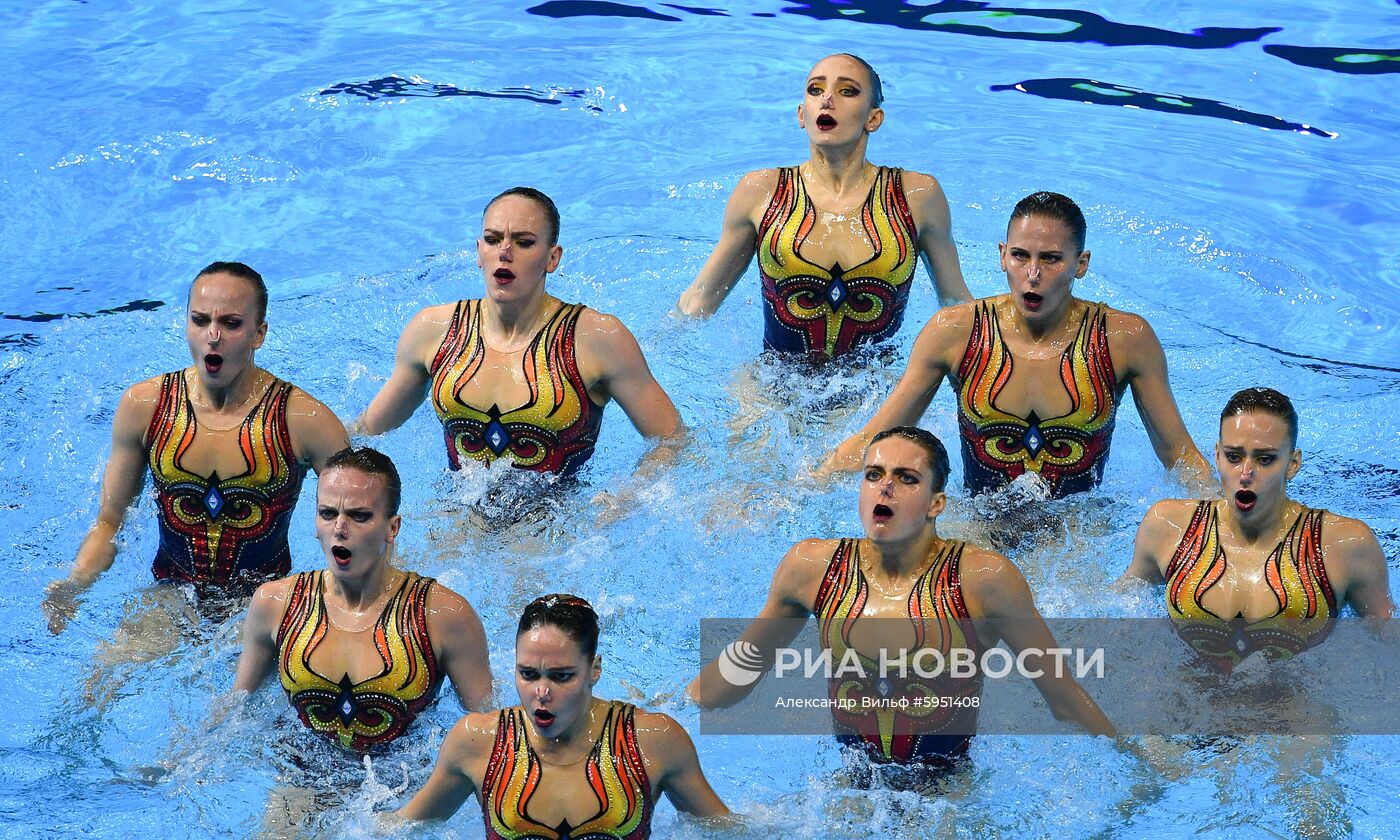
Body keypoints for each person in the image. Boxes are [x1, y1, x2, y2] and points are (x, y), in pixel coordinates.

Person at [691, 427, 1114, 767]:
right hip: (850, 789)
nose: (885, 488)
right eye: (873, 475)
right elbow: (736, 676)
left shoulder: (983, 580)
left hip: (948, 796)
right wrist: (666, 706)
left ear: (936, 504)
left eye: (906, 478)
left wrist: (1139, 762)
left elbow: (1063, 697)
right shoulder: (811, 568)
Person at [827, 192, 1210, 497]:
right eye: (1020, 255)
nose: (1032, 274)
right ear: (1001, 256)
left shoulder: (1124, 340)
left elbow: (1179, 456)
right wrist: (802, 485)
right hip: (978, 526)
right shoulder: (955, 332)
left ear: (1081, 263)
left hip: (1076, 532)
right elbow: (876, 438)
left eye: (1052, 259)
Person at [43, 261, 349, 632]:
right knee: (96, 687)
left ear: (260, 333)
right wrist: (76, 585)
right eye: (200, 320)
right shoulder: (145, 407)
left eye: (231, 323)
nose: (213, 336)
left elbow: (359, 521)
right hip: (171, 598)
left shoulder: (304, 421)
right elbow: (109, 523)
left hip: (266, 605)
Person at [355, 186, 681, 475]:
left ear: (552, 258)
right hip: (459, 517)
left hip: (559, 526)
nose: (505, 252)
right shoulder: (433, 331)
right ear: (479, 252)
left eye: (523, 242)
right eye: (493, 240)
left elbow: (672, 439)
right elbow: (370, 429)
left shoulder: (596, 339)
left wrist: (627, 498)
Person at [677, 53, 972, 361]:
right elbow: (699, 301)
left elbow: (955, 304)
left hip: (875, 390)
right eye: (816, 90)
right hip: (770, 389)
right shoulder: (761, 192)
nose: (828, 99)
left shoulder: (915, 195)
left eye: (848, 91)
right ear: (802, 114)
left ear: (874, 118)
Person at [395, 593, 730, 833]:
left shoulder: (652, 742)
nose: (541, 692)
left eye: (561, 676)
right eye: (528, 674)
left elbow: (727, 831)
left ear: (594, 670)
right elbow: (401, 829)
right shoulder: (478, 742)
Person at [233, 447, 493, 751]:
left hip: (398, 785)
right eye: (327, 514)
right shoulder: (276, 605)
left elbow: (487, 732)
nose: (339, 530)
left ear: (392, 528)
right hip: (297, 776)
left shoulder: (442, 616)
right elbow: (236, 712)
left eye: (359, 516)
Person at [1123, 388, 1392, 671]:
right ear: (1217, 455)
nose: (1245, 473)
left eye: (1265, 459)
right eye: (1234, 456)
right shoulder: (1169, 527)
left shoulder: (1345, 545)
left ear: (1292, 464)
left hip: (1295, 713)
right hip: (1183, 707)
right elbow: (1119, 607)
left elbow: (1387, 642)